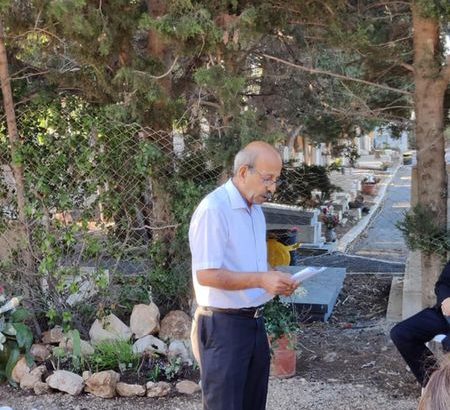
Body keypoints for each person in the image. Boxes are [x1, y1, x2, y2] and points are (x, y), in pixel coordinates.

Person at [189, 141, 298, 410]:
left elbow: (250, 264)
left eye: (276, 180)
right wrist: (261, 280)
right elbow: (207, 275)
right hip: (223, 326)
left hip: (254, 323)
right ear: (243, 172)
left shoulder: (255, 211)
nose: (272, 187)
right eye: (267, 178)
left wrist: (274, 278)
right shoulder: (214, 209)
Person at [390, 260, 450, 387]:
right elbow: (443, 283)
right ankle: (435, 384)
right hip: (445, 316)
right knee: (401, 334)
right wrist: (445, 299)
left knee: (448, 343)